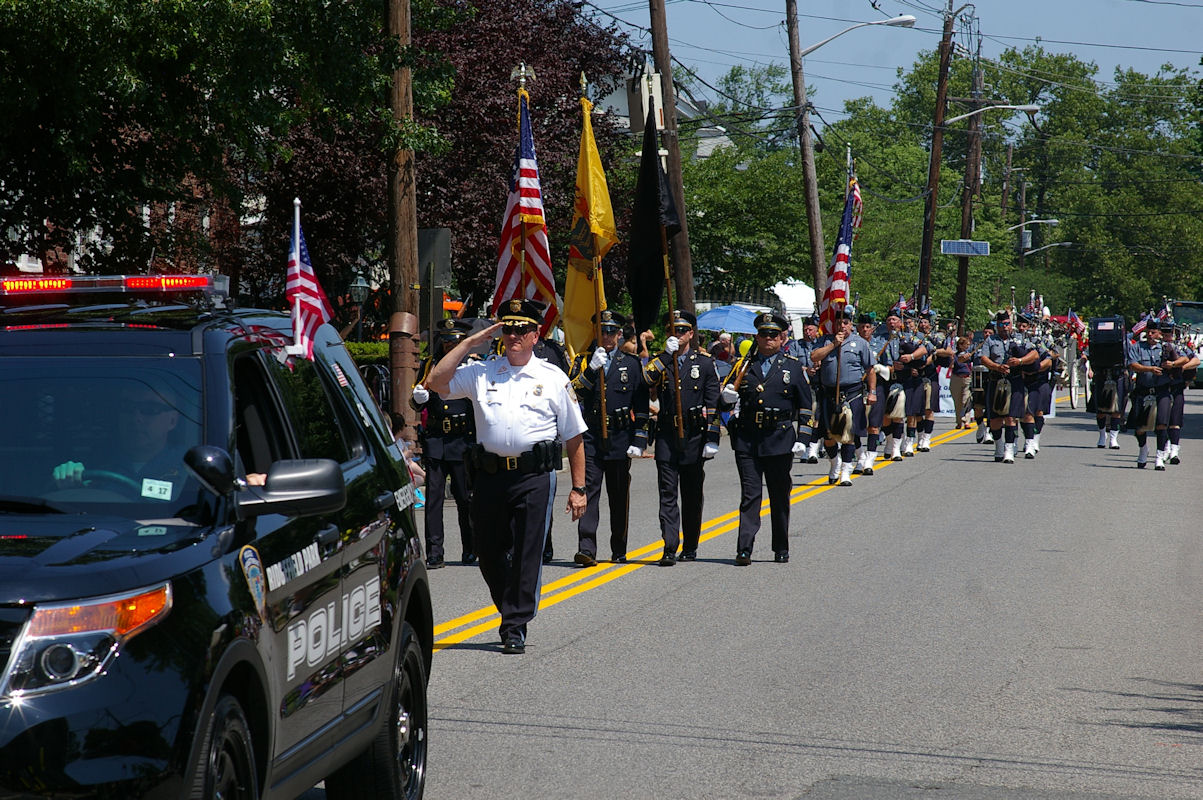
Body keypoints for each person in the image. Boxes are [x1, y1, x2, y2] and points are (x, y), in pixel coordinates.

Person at [424, 299, 588, 654]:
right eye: (508, 328)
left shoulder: (552, 376)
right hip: (489, 476)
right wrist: (468, 342)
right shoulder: (482, 371)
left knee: (528, 552)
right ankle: (509, 608)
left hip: (534, 477)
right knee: (488, 551)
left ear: (535, 335)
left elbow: (574, 436)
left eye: (521, 329)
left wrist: (579, 488)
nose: (513, 336)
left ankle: (515, 624)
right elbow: (436, 382)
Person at [719, 311, 812, 565]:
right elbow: (723, 400)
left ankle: (780, 546)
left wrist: (803, 436)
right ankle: (744, 548)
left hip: (779, 438)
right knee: (750, 495)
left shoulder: (792, 366)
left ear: (782, 338)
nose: (768, 338)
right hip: (748, 439)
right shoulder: (743, 366)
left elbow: (805, 405)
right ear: (756, 337)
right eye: (763, 334)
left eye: (773, 334)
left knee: (779, 495)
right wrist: (725, 398)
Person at [568, 310, 650, 565]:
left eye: (612, 331)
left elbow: (642, 405)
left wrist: (639, 440)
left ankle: (619, 547)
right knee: (588, 491)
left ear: (619, 334)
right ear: (596, 332)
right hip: (591, 436)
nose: (607, 336)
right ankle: (587, 548)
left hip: (620, 436)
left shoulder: (632, 362)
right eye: (603, 331)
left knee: (618, 494)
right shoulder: (583, 361)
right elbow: (572, 395)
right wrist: (592, 370)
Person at [643, 310, 720, 566]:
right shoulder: (661, 360)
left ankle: (690, 544)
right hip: (666, 433)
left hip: (694, 435)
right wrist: (666, 355)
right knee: (667, 492)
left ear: (690, 333)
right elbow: (646, 379)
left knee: (691, 493)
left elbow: (712, 404)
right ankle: (669, 545)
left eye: (681, 330)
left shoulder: (705, 363)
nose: (676, 334)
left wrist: (712, 437)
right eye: (672, 330)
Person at [411, 318, 477, 568]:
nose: (450, 346)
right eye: (446, 341)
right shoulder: (430, 365)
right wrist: (418, 399)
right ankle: (435, 552)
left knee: (464, 498)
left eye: (455, 341)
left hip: (462, 439)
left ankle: (470, 549)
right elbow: (415, 401)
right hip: (437, 439)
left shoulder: (472, 366)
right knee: (434, 500)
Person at [52, 383, 191, 499]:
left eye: (150, 409)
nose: (136, 418)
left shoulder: (189, 469)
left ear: (173, 421)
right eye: (127, 408)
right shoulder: (95, 463)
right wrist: (68, 481)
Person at [811, 307, 876, 486]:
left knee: (848, 434)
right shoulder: (824, 341)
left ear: (851, 325)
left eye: (845, 323)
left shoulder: (860, 343)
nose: (842, 326)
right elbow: (814, 356)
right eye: (839, 323)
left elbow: (870, 369)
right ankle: (835, 463)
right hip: (829, 394)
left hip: (852, 394)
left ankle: (846, 471)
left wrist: (872, 392)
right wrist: (833, 344)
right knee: (829, 437)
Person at [978, 311, 1037, 463]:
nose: (1004, 327)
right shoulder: (990, 340)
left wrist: (1020, 361)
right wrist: (996, 367)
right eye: (1000, 325)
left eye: (1006, 324)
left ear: (1011, 324)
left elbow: (1034, 354)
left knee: (1011, 417)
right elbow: (983, 358)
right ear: (996, 326)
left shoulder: (1019, 338)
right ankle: (998, 445)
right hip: (996, 380)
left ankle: (1009, 450)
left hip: (1015, 381)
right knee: (995, 420)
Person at [855, 312, 886, 474]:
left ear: (872, 329)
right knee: (854, 427)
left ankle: (869, 461)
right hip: (856, 388)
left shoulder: (880, 345)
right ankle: (860, 456)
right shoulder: (851, 344)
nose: (865, 330)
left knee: (873, 426)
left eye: (868, 327)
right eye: (862, 327)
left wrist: (880, 369)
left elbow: (890, 366)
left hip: (876, 387)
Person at [1165, 323, 1198, 464]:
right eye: (1165, 334)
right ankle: (1165, 447)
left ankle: (1174, 451)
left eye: (1169, 334)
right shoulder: (1158, 348)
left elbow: (1195, 360)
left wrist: (1181, 367)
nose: (1167, 337)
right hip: (1161, 387)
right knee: (1162, 421)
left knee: (1175, 421)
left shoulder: (1181, 348)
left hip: (1176, 387)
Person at [793, 315, 823, 463]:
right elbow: (792, 363)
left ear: (817, 331)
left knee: (817, 417)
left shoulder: (821, 345)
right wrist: (805, 369)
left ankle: (813, 448)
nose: (807, 332)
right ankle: (803, 447)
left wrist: (819, 365)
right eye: (805, 329)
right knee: (805, 416)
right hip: (803, 386)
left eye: (810, 329)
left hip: (819, 384)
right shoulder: (795, 345)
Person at [950, 334, 974, 429]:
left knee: (966, 400)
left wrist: (969, 357)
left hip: (967, 378)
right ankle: (959, 422)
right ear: (960, 345)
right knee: (958, 402)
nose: (967, 346)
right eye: (966, 344)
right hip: (956, 378)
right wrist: (958, 359)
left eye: (968, 344)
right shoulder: (955, 355)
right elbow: (952, 365)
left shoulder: (970, 355)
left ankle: (966, 421)